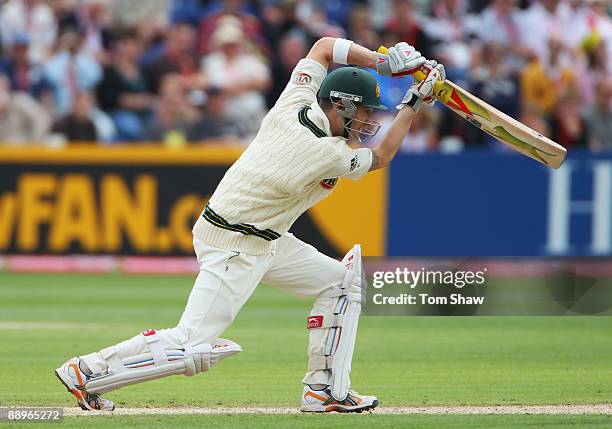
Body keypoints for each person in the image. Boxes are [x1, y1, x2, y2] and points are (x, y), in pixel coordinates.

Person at [55, 37, 445, 413]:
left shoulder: (296, 99)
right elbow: (381, 157)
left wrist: (383, 63)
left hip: (265, 237)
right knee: (192, 343)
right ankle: (87, 370)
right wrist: (414, 101)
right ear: (340, 106)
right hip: (235, 244)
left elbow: (324, 47)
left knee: (340, 283)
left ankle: (323, 390)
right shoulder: (323, 152)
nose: (367, 123)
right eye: (364, 114)